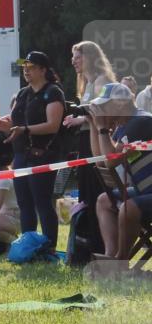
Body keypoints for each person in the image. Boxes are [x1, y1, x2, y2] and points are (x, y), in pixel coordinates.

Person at [0, 51, 67, 250]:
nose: (26, 70)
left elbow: (53, 125)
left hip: (42, 154)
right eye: (24, 66)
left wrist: (25, 129)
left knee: (42, 202)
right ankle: (27, 245)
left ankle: (49, 247)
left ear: (43, 69)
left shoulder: (53, 92)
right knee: (24, 202)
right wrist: (4, 123)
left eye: (31, 66)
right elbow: (15, 118)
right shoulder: (23, 93)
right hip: (20, 154)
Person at [89, 83, 152, 264]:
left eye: (104, 106)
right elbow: (100, 160)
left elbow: (110, 161)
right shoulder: (124, 126)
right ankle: (111, 255)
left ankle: (121, 260)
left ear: (120, 104)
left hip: (147, 191)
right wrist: (94, 126)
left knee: (128, 207)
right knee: (104, 201)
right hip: (145, 190)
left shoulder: (140, 122)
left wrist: (101, 127)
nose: (101, 110)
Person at [63, 41, 116, 253]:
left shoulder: (101, 80)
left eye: (78, 56)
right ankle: (88, 243)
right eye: (73, 57)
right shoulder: (87, 82)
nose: (74, 61)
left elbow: (103, 112)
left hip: (96, 141)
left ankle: (100, 245)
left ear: (91, 57)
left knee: (96, 191)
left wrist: (80, 120)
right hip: (86, 141)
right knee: (86, 193)